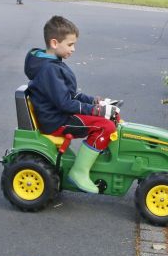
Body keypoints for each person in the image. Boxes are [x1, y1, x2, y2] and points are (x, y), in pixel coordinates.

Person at [24, 16, 118, 193]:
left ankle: (92, 159)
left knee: (110, 118)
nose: (73, 49)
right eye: (70, 44)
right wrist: (96, 111)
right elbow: (65, 103)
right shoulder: (49, 69)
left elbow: (71, 95)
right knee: (106, 126)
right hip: (56, 121)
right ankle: (79, 172)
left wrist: (94, 102)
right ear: (54, 43)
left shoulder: (52, 64)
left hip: (58, 115)